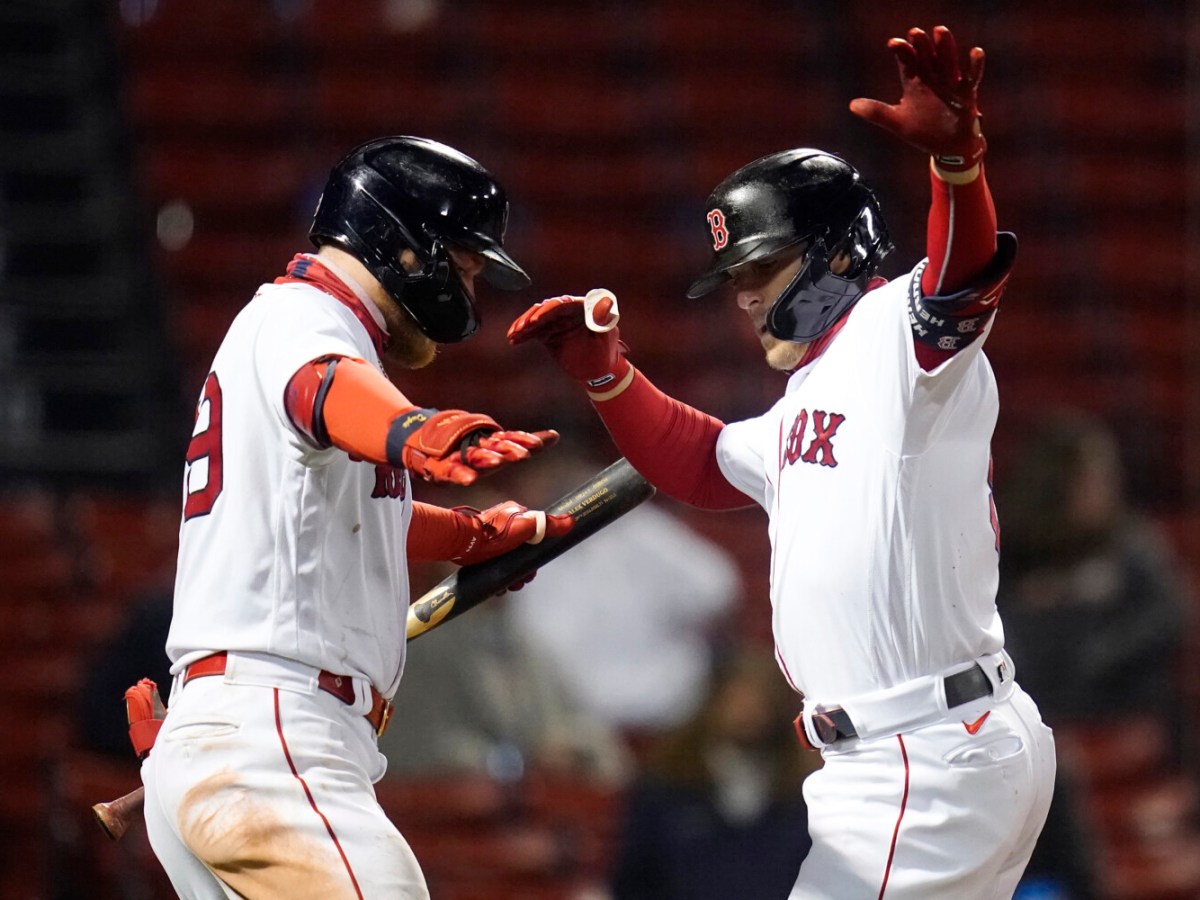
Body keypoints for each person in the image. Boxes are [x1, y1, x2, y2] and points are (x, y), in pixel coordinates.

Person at [509, 26, 1057, 898]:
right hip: (926, 743)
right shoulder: (811, 389)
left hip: (919, 752)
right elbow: (705, 463)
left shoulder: (894, 335)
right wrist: (610, 378)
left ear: (837, 251)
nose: (744, 294)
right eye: (734, 278)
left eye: (761, 265)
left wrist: (958, 167)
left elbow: (965, 279)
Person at [139, 136, 574, 900]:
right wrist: (411, 430)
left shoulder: (285, 325)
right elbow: (323, 388)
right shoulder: (303, 316)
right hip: (274, 732)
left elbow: (340, 523)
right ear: (403, 244)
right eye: (464, 263)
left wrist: (469, 536)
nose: (469, 288)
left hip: (234, 731)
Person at [610, 644, 820, 900]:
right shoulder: (666, 786)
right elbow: (634, 878)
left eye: (761, 700)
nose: (749, 712)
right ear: (714, 701)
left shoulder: (804, 793)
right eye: (738, 698)